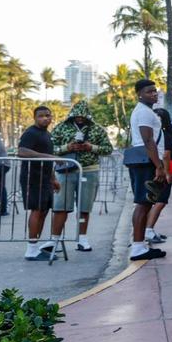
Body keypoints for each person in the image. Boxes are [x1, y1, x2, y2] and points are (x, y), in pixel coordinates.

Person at [50, 100, 114, 252]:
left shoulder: (97, 129)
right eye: (76, 116)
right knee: (60, 207)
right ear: (71, 115)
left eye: (82, 116)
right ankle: (54, 240)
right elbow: (50, 149)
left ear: (88, 116)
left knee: (84, 207)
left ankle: (82, 238)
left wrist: (91, 147)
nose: (79, 118)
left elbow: (108, 149)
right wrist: (68, 147)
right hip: (66, 171)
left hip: (89, 171)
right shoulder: (60, 128)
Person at [127, 79, 166, 261]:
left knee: (144, 203)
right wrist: (158, 165)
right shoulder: (143, 113)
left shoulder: (145, 111)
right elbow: (148, 140)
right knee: (143, 203)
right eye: (149, 91)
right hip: (146, 162)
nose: (154, 94)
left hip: (145, 160)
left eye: (155, 91)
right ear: (139, 94)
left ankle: (139, 244)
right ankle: (137, 246)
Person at [17, 106, 59, 261]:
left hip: (45, 178)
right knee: (36, 210)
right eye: (41, 116)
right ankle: (31, 249)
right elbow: (21, 151)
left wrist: (53, 178)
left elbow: (49, 159)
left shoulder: (47, 134)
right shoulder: (31, 133)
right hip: (32, 178)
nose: (45, 118)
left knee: (43, 211)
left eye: (48, 115)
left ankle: (35, 247)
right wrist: (47, 156)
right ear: (34, 117)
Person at [145, 107, 172, 245]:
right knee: (161, 201)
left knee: (149, 202)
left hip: (149, 167)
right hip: (162, 170)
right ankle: (149, 230)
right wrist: (167, 173)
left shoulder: (150, 133)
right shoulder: (167, 135)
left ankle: (147, 230)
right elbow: (166, 155)